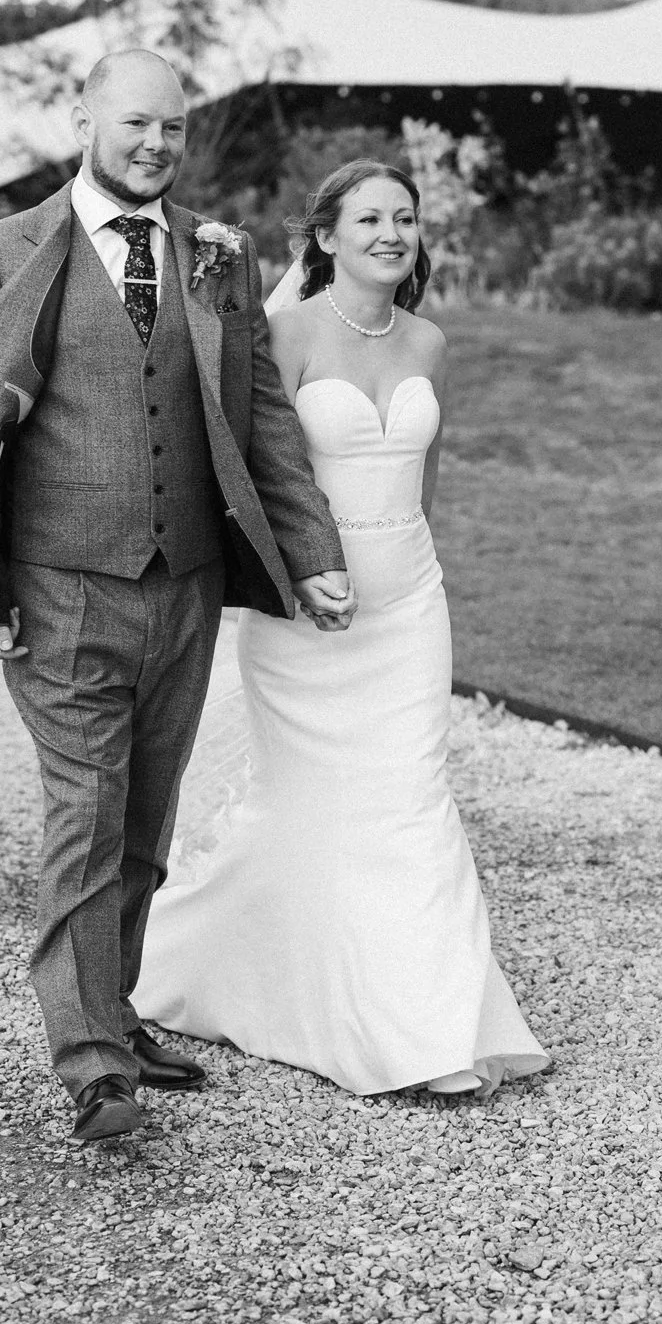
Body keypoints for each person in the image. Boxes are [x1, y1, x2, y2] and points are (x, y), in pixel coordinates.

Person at [0, 49, 356, 1147]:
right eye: (134, 124)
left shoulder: (215, 253)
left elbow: (258, 413)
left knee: (146, 818)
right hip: (64, 590)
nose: (155, 144)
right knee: (85, 818)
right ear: (83, 120)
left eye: (171, 126)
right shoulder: (2, 252)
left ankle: (112, 1008)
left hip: (188, 587)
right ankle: (90, 1066)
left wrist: (308, 549)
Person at [137, 160, 548, 1098]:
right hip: (306, 619)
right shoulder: (281, 332)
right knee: (306, 802)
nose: (390, 233)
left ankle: (427, 1029)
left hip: (407, 609)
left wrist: (409, 567)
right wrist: (297, 572)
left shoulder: (429, 343)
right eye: (367, 218)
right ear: (324, 237)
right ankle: (208, 963)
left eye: (404, 217)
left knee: (408, 798)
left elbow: (427, 473)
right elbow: (248, 472)